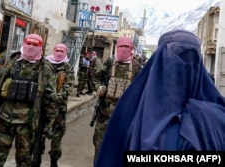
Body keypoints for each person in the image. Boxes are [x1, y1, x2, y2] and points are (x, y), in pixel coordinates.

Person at [95, 29, 225, 167]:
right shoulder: (217, 118)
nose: (184, 66)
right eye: (175, 59)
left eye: (189, 59)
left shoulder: (130, 112)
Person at [0, 34, 58, 167]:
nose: (31, 47)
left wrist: (47, 125)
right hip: (3, 118)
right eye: (29, 43)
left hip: (27, 123)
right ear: (23, 43)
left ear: (41, 48)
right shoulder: (13, 61)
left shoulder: (45, 68)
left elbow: (51, 98)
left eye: (35, 45)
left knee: (25, 160)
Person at [92, 36, 141, 164]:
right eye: (121, 46)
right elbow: (95, 77)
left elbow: (143, 88)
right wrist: (99, 87)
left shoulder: (137, 67)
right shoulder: (109, 63)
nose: (124, 49)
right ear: (116, 47)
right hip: (105, 115)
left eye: (127, 47)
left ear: (132, 49)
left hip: (126, 118)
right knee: (100, 146)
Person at [32, 43, 74, 167]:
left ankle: (54, 161)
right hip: (43, 109)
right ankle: (36, 159)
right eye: (57, 50)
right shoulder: (45, 65)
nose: (59, 52)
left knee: (56, 138)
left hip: (59, 110)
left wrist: (54, 97)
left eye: (62, 50)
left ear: (65, 52)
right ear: (53, 50)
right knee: (39, 137)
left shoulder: (68, 68)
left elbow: (68, 87)